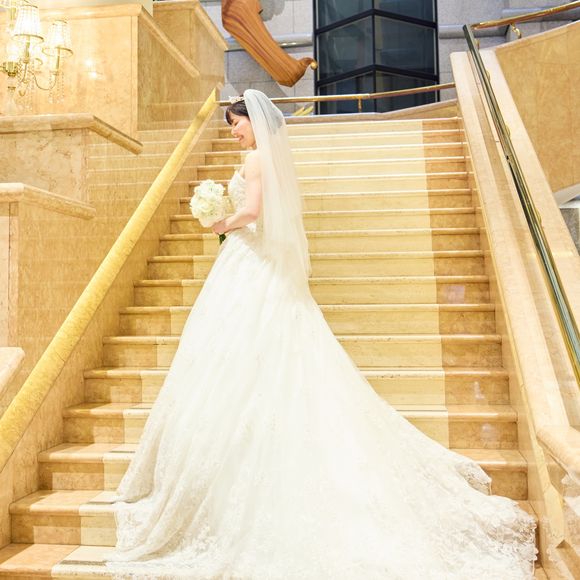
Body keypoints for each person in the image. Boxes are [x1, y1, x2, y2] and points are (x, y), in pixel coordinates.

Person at [104, 89, 537, 579]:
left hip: (250, 260)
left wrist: (217, 221)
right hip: (254, 261)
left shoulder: (255, 160)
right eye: (230, 125)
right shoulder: (268, 159)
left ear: (253, 121)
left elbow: (252, 213)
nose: (233, 131)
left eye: (236, 123)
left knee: (244, 349)